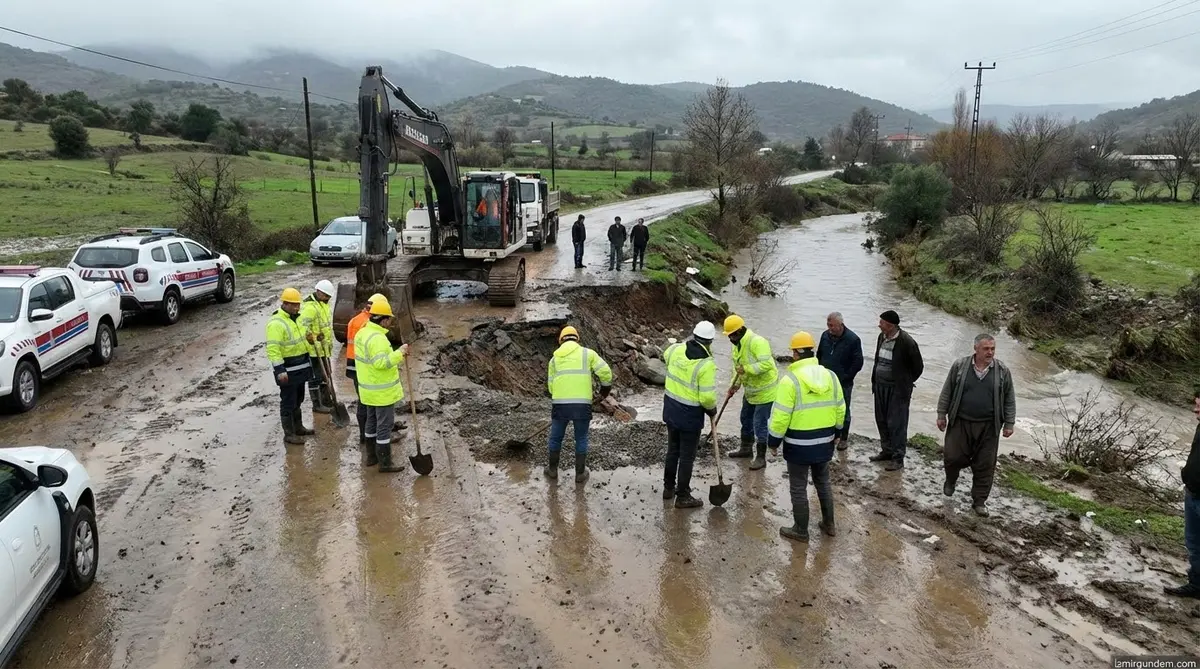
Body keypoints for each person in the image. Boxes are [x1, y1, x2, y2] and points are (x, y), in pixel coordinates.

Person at [769, 331, 845, 542]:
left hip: (798, 444)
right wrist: (838, 433)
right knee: (823, 481)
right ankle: (829, 524)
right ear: (812, 351)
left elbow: (780, 417)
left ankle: (801, 530)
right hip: (825, 442)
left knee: (798, 486)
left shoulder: (789, 381)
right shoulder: (831, 376)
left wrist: (773, 441)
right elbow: (841, 408)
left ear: (795, 354)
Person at [936, 334, 1016, 517]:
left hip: (989, 426)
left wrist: (1009, 423)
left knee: (985, 465)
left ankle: (979, 501)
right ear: (976, 349)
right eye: (986, 349)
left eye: (993, 349)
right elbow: (947, 390)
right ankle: (951, 480)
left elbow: (1009, 398)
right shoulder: (960, 366)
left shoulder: (1002, 370)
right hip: (960, 422)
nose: (990, 352)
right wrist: (942, 414)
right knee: (952, 456)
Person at [661, 321, 719, 509]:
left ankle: (668, 488)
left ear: (694, 335)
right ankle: (683, 495)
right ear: (710, 341)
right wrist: (712, 409)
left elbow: (665, 355)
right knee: (687, 456)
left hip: (671, 408)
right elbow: (707, 397)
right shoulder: (706, 364)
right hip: (690, 416)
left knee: (672, 450)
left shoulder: (676, 349)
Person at [545, 325, 613, 483]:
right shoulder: (587, 354)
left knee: (556, 438)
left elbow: (550, 386)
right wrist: (604, 392)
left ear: (561, 340)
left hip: (560, 404)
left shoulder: (554, 360)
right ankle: (580, 474)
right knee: (581, 438)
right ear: (577, 338)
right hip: (582, 405)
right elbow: (606, 373)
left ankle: (553, 470)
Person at [353, 296, 410, 473]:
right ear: (383, 319)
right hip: (381, 392)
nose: (390, 323)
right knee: (384, 426)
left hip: (368, 390)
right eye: (389, 319)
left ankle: (371, 457)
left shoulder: (362, 332)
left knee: (371, 422)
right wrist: (399, 354)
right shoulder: (377, 338)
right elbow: (381, 363)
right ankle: (385, 463)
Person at [722, 314, 779, 470]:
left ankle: (761, 457)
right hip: (751, 390)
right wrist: (734, 386)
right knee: (745, 418)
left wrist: (746, 369)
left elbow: (766, 364)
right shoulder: (737, 346)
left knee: (759, 423)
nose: (730, 338)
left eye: (732, 335)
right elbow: (738, 369)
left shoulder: (757, 342)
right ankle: (746, 449)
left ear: (740, 331)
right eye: (728, 336)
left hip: (766, 390)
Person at [870, 310, 923, 471]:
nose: (879, 325)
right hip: (880, 386)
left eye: (882, 323)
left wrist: (905, 382)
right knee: (882, 420)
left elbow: (918, 367)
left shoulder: (907, 342)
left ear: (891, 325)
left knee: (897, 423)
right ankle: (886, 451)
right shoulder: (882, 337)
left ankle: (898, 458)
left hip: (897, 390)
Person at [265, 288, 314, 445]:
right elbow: (273, 349)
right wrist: (280, 370)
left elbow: (302, 338)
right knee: (288, 401)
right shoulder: (276, 323)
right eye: (292, 305)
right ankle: (289, 433)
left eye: (297, 305)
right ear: (284, 304)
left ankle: (298, 427)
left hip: (301, 366)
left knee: (299, 398)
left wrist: (310, 338)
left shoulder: (298, 319)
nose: (296, 308)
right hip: (288, 369)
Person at [1164, 388, 1200, 599]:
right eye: (1196, 404)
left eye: (1199, 405)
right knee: (1194, 544)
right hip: (1192, 493)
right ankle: (1196, 585)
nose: (1195, 408)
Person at [817, 312, 864, 450]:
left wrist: (846, 377)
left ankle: (843, 438)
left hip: (843, 382)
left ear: (840, 324)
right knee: (825, 407)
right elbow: (819, 355)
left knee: (843, 410)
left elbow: (858, 362)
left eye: (832, 325)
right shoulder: (825, 336)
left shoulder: (853, 339)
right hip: (825, 380)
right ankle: (828, 434)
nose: (829, 328)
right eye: (828, 325)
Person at [299, 279, 335, 414]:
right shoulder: (310, 307)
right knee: (316, 377)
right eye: (326, 296)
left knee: (327, 374)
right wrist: (313, 337)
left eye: (329, 297)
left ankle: (327, 400)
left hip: (324, 348)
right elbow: (302, 328)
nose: (328, 298)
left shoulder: (323, 304)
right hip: (314, 351)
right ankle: (317, 404)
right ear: (319, 292)